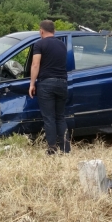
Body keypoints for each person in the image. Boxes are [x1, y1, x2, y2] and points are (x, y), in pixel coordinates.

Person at [29, 20, 70, 154]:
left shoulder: (39, 44)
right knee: (60, 116)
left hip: (46, 83)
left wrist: (32, 84)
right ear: (54, 31)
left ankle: (52, 149)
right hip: (62, 83)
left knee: (49, 117)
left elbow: (35, 65)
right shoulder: (62, 45)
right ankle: (65, 148)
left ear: (41, 31)